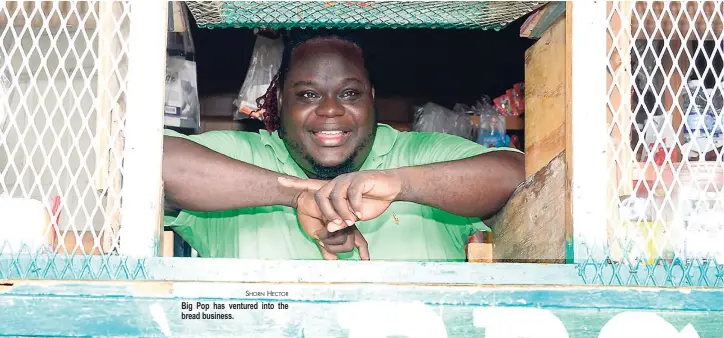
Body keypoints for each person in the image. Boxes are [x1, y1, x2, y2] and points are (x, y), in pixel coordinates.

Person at [163, 30, 524, 261]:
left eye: (349, 93)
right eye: (307, 95)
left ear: (372, 98)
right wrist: (297, 194)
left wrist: (402, 184)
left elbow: (519, 175)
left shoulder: (418, 155)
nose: (331, 109)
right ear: (279, 104)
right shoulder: (244, 157)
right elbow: (152, 161)